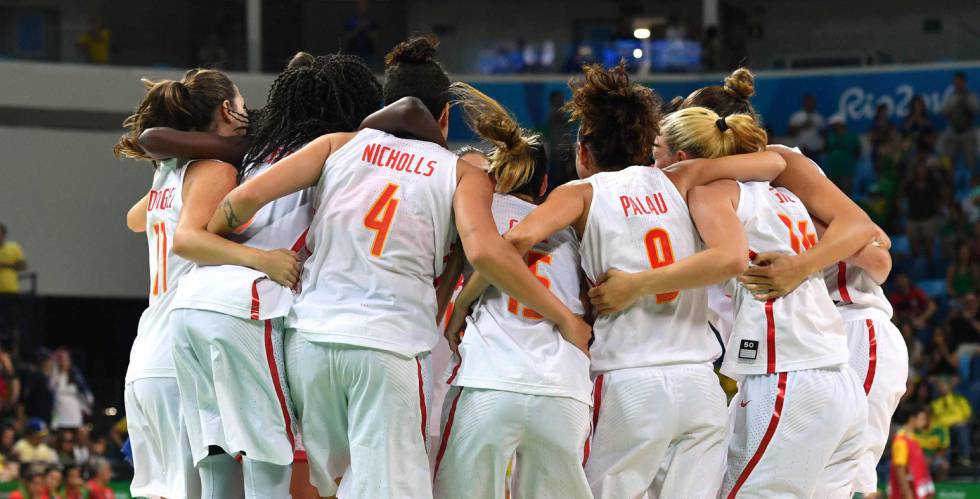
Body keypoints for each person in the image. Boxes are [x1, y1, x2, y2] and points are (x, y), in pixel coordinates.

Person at [208, 37, 591, 498]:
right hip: (385, 348)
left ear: (385, 104)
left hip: (310, 342)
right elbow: (489, 254)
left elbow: (240, 201)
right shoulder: (459, 172)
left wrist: (216, 243)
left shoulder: (338, 145)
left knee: (328, 484)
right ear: (444, 117)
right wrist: (566, 318)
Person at [496, 63, 787, 498]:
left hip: (628, 382)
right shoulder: (682, 179)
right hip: (698, 386)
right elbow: (775, 160)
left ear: (583, 151)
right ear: (645, 145)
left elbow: (514, 241)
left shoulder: (579, 194)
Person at [648, 67, 890, 496]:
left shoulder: (721, 189)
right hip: (835, 369)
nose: (654, 161)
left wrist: (799, 265)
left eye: (659, 149)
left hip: (806, 360)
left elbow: (876, 248)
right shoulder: (780, 187)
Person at [151, 54, 382, 499]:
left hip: (190, 302)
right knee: (269, 451)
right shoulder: (341, 151)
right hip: (247, 305)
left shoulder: (255, 149)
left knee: (215, 454)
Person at [432, 83, 593, 499]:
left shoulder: (475, 216)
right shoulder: (569, 229)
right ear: (543, 189)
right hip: (563, 389)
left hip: (489, 380)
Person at [114, 68, 249, 499]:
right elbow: (193, 240)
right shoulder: (212, 169)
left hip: (145, 362)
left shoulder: (166, 174)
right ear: (227, 110)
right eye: (244, 106)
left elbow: (135, 220)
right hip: (180, 360)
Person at [891, 404, 935, 499]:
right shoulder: (900, 441)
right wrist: (907, 493)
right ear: (912, 419)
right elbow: (899, 468)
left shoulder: (913, 439)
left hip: (916, 490)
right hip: (906, 493)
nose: (925, 422)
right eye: (922, 418)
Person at [930, 377, 973, 465]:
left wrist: (964, 421)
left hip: (958, 426)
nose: (942, 388)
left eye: (944, 386)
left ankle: (964, 457)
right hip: (943, 429)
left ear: (949, 387)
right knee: (942, 434)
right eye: (940, 387)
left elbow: (968, 414)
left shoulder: (959, 399)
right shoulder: (935, 403)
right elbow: (933, 420)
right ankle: (945, 462)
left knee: (961, 429)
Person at [941, 71, 978, 171]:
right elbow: (943, 112)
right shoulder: (950, 97)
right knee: (948, 158)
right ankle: (949, 179)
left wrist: (966, 103)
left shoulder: (970, 95)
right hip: (953, 131)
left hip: (967, 131)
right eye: (956, 81)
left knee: (971, 161)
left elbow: (976, 109)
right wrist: (952, 106)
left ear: (964, 82)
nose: (958, 83)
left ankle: (973, 182)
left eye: (960, 81)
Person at [49, 350, 93, 431]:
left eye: (65, 360)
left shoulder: (75, 375)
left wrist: (86, 407)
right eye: (61, 360)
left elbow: (88, 395)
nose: (63, 363)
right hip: (59, 416)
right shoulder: (54, 376)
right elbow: (50, 388)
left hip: (74, 415)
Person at [823, 113, 862, 193]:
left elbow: (857, 152)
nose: (834, 127)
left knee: (846, 196)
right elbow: (826, 149)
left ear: (841, 124)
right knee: (832, 194)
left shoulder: (851, 137)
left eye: (835, 125)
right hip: (832, 172)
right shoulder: (830, 137)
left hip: (846, 172)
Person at [788, 94, 825, 159]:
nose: (810, 104)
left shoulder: (819, 117)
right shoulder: (797, 116)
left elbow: (823, 135)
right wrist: (803, 126)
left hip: (814, 151)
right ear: (804, 103)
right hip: (800, 150)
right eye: (808, 102)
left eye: (812, 102)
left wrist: (821, 148)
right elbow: (790, 133)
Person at [0, 224, 26, 293]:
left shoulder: (14, 248)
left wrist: (4, 265)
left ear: (4, 235)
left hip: (11, 290)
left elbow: (23, 266)